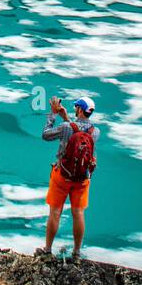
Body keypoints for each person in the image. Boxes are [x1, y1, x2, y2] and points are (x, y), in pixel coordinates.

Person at [38, 94, 99, 261]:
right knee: (78, 213)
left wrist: (53, 114)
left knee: (55, 212)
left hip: (62, 176)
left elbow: (46, 135)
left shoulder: (65, 127)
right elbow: (78, 130)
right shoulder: (96, 132)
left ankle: (48, 251)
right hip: (82, 179)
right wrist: (67, 118)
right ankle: (77, 254)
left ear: (79, 109)